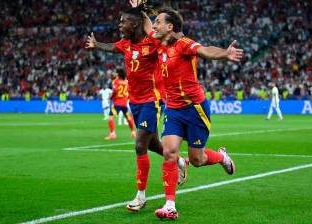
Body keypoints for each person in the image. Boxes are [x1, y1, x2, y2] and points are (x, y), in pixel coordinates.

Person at [141, 8, 243, 219]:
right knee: (169, 152)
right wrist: (139, 10)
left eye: (158, 22)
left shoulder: (184, 44)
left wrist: (225, 53)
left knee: (197, 159)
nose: (155, 25)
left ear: (170, 27)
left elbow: (205, 50)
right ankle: (170, 205)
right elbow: (147, 27)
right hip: (173, 109)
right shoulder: (159, 42)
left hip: (195, 109)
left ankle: (222, 157)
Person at [85, 4, 188, 212]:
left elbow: (175, 36)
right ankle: (179, 161)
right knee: (152, 145)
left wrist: (142, 10)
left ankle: (140, 196)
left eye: (123, 21)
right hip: (135, 102)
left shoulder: (153, 42)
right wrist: (96, 44)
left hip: (152, 100)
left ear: (135, 24)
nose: (119, 24)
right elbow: (112, 47)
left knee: (140, 144)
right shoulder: (125, 44)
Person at [106, 68, 136, 139]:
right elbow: (129, 92)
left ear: (118, 74)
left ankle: (112, 134)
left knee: (110, 117)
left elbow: (115, 90)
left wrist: (110, 98)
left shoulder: (116, 81)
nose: (115, 74)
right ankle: (133, 133)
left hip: (117, 103)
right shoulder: (126, 82)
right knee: (128, 118)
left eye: (116, 72)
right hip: (125, 103)